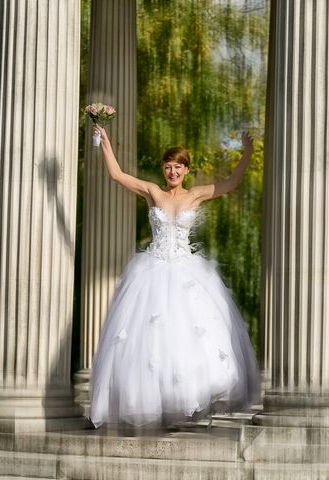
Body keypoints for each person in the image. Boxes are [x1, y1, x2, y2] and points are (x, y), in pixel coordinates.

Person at [88, 125, 260, 428]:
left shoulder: (195, 195)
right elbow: (117, 175)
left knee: (187, 338)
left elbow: (231, 183)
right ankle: (160, 405)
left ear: (186, 169)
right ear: (163, 168)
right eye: (168, 165)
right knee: (151, 342)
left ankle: (185, 402)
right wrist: (105, 142)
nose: (172, 170)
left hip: (186, 271)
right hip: (152, 271)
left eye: (178, 165)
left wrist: (247, 152)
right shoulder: (153, 192)